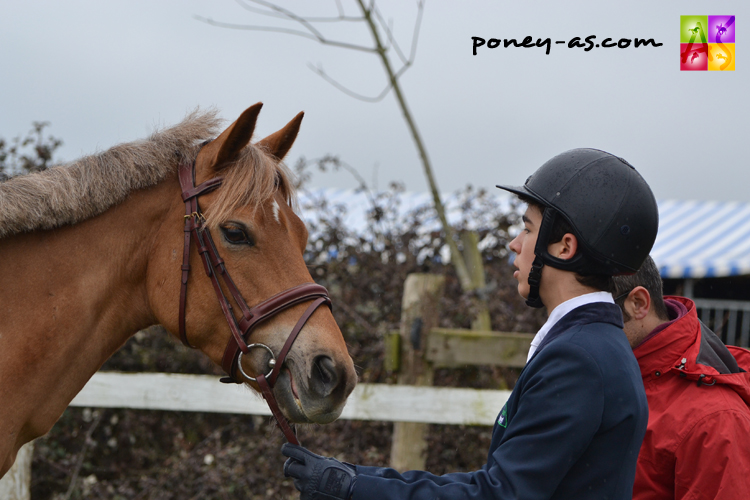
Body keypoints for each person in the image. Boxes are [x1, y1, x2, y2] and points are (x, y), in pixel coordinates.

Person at [281, 148, 659, 500]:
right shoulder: (597, 346)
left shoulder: (579, 360)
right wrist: (353, 477)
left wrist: (350, 489)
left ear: (564, 246)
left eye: (527, 228)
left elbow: (497, 494)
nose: (514, 243)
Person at [612, 256, 750, 500]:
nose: (573, 326)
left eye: (590, 312)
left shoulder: (714, 419)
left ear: (638, 303)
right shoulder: (607, 376)